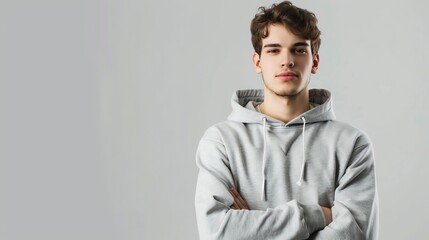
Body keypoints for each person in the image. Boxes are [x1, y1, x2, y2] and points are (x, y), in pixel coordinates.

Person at [194, 1, 379, 239]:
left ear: (315, 62)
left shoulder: (352, 144)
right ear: (257, 61)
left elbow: (356, 235)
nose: (287, 60)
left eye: (299, 49)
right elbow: (216, 232)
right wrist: (319, 216)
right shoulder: (221, 142)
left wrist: (250, 228)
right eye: (273, 50)